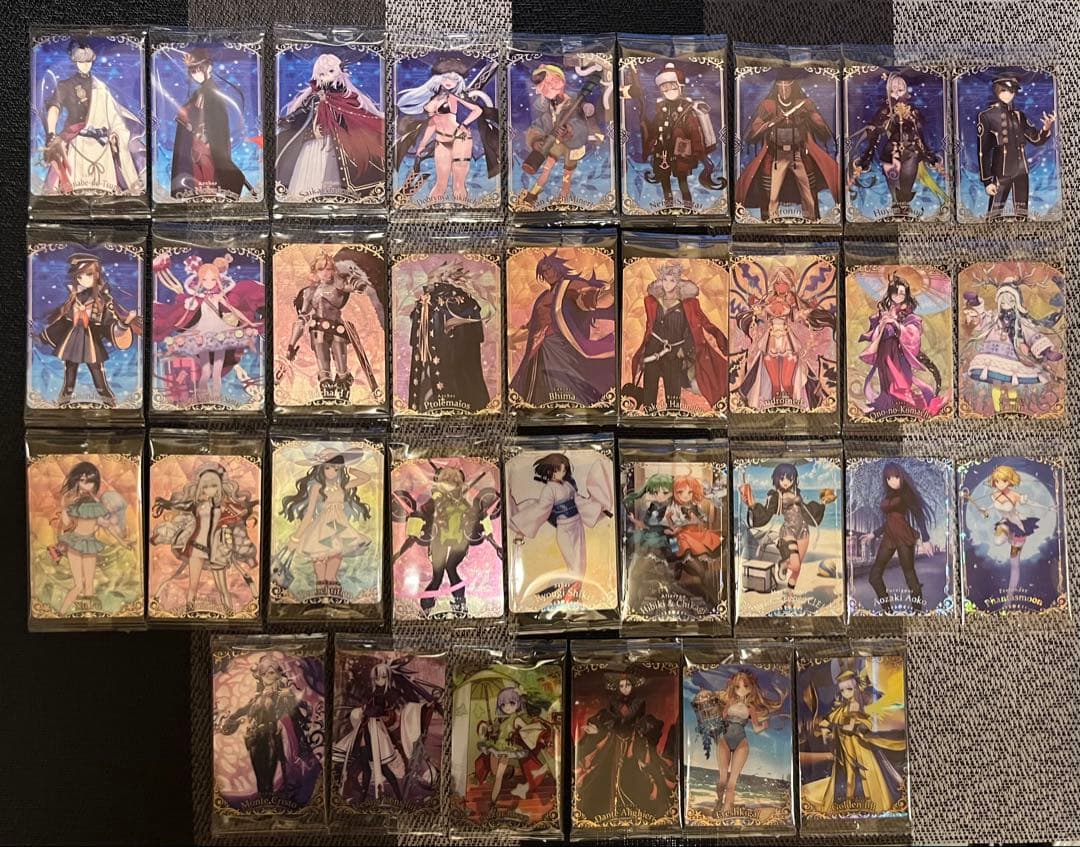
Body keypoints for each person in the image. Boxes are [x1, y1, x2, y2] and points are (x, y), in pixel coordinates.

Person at [392, 464, 501, 618]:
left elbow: (481, 521)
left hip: (459, 541)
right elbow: (415, 528)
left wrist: (496, 545)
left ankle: (459, 604)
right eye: (448, 482)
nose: (451, 486)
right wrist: (398, 553)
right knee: (438, 575)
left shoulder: (463, 504)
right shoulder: (434, 503)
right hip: (439, 541)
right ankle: (426, 609)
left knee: (450, 568)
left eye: (455, 482)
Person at [509, 252, 615, 408]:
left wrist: (608, 293)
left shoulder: (570, 286)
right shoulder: (543, 297)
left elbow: (589, 298)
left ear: (558, 268)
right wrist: (512, 338)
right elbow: (532, 327)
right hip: (539, 350)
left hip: (561, 348)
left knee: (568, 388)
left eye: (550, 269)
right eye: (544, 271)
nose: (548, 274)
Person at [151, 461, 258, 613]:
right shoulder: (197, 504)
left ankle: (230, 615)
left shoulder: (226, 507)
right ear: (201, 487)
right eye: (205, 487)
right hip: (196, 548)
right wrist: (166, 504)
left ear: (219, 486)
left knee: (223, 588)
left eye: (213, 486)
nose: (209, 490)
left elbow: (240, 520)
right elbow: (181, 505)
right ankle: (189, 613)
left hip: (216, 551)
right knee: (193, 586)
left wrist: (248, 511)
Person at [277, 52, 385, 202]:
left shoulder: (346, 96)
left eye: (331, 71)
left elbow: (356, 114)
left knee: (339, 173)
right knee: (312, 175)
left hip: (339, 144)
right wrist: (289, 119)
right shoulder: (314, 96)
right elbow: (303, 111)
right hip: (315, 141)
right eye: (322, 74)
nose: (326, 76)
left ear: (340, 70)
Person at [40, 38, 143, 196]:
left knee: (115, 176)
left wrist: (115, 134)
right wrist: (51, 132)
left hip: (101, 139)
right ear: (75, 62)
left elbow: (113, 115)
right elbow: (54, 108)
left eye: (88, 61)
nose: (85, 65)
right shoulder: (65, 85)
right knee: (59, 167)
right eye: (81, 61)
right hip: (74, 137)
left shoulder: (100, 87)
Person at [735, 67, 839, 221]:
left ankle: (811, 219)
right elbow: (756, 129)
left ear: (793, 87)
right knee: (772, 194)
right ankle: (771, 220)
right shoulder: (768, 105)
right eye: (781, 87)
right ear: (777, 87)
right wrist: (771, 123)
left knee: (808, 192)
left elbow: (819, 122)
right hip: (776, 155)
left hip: (798, 154)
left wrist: (811, 118)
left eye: (787, 87)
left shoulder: (803, 104)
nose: (784, 91)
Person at [509, 453, 612, 604]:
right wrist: (521, 531)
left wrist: (597, 509)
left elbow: (578, 500)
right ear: (550, 471)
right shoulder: (549, 490)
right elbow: (541, 510)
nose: (562, 474)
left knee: (581, 568)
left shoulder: (567, 484)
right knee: (574, 569)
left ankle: (572, 598)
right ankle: (550, 588)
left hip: (577, 526)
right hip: (565, 530)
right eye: (559, 471)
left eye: (564, 470)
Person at [38, 252, 139, 408]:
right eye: (79, 276)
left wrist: (125, 323)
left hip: (91, 340)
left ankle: (107, 399)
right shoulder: (74, 297)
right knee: (70, 369)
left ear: (97, 274)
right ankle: (64, 399)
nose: (83, 279)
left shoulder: (103, 300)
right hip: (73, 339)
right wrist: (45, 336)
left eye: (88, 274)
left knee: (96, 369)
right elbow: (65, 320)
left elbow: (109, 322)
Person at [802, 669, 907, 814]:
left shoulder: (855, 706)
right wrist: (825, 725)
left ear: (856, 688)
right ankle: (848, 804)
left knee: (861, 774)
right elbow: (830, 718)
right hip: (845, 747)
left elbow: (849, 728)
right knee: (847, 775)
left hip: (858, 748)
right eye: (842, 690)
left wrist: (833, 726)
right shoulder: (843, 707)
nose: (846, 693)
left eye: (849, 689)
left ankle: (863, 803)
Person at [574, 673, 676, 822]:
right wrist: (598, 730)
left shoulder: (639, 701)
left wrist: (638, 734)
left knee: (637, 772)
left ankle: (634, 808)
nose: (625, 688)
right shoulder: (613, 702)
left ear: (632, 686)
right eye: (621, 686)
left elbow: (640, 721)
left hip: (634, 740)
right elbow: (610, 721)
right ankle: (611, 809)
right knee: (608, 770)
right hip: (614, 741)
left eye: (627, 685)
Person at [628, 260, 727, 413]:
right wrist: (645, 349)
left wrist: (684, 348)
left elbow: (694, 328)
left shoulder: (688, 305)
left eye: (672, 280)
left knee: (673, 389)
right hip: (653, 348)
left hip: (674, 351)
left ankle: (672, 415)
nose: (668, 284)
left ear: (678, 283)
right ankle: (648, 415)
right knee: (650, 387)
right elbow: (650, 327)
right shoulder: (652, 302)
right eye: (665, 279)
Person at [733, 265, 835, 411]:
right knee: (775, 383)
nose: (780, 286)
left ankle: (792, 408)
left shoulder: (793, 301)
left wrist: (808, 312)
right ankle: (775, 410)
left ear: (789, 284)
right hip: (770, 344)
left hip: (788, 344)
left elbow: (798, 315)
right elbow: (761, 314)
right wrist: (755, 309)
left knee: (787, 382)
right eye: (778, 283)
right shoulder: (768, 299)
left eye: (784, 283)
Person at [395, 61, 498, 204]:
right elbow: (432, 123)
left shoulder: (456, 97)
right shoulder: (433, 98)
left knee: (458, 183)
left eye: (454, 79)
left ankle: (463, 212)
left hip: (460, 139)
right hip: (441, 141)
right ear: (438, 78)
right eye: (447, 77)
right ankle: (430, 212)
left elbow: (477, 110)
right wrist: (422, 144)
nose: (450, 81)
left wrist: (464, 124)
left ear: (459, 82)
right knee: (440, 183)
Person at [219, 655, 319, 799]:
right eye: (265, 673)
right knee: (260, 773)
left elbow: (297, 707)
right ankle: (263, 800)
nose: (268, 676)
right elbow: (244, 709)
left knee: (270, 771)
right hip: (255, 737)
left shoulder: (283, 694)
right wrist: (231, 718)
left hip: (273, 734)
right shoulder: (257, 697)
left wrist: (302, 715)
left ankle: (272, 796)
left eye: (271, 672)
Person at [285, 250, 378, 404]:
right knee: (324, 371)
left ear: (333, 270)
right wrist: (291, 345)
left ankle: (343, 390)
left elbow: (355, 285)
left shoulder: (339, 285)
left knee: (342, 371)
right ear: (315, 271)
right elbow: (302, 319)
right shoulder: (309, 292)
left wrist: (357, 283)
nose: (326, 273)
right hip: (318, 332)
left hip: (337, 331)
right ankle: (328, 397)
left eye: (329, 269)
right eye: (321, 269)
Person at [739, 463, 836, 606]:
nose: (786, 482)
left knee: (797, 569)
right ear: (776, 479)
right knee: (794, 565)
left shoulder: (797, 492)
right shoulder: (776, 496)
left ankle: (789, 599)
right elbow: (766, 513)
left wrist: (823, 502)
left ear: (794, 479)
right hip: (788, 531)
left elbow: (807, 511)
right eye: (782, 478)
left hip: (803, 532)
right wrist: (752, 504)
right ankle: (783, 563)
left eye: (789, 478)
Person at [850, 72, 945, 218]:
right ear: (889, 90)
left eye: (901, 85)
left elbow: (921, 132)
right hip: (892, 151)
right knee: (894, 185)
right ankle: (896, 209)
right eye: (894, 86)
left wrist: (929, 155)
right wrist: (866, 157)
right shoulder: (885, 110)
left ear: (906, 89)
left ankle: (905, 210)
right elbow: (875, 132)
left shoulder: (913, 110)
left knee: (906, 185)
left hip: (911, 151)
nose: (898, 86)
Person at [963, 280, 1063, 415]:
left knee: (1011, 385)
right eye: (1003, 300)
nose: (1006, 303)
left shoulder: (1020, 321)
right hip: (992, 355)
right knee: (996, 384)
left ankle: (1013, 410)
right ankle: (998, 410)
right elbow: (982, 321)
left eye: (1010, 300)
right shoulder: (994, 317)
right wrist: (975, 303)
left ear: (1016, 302)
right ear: (999, 301)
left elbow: (1031, 334)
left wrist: (1046, 351)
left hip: (1013, 356)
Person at [280, 451, 372, 599]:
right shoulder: (317, 487)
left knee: (331, 576)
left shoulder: (342, 486)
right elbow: (309, 513)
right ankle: (319, 604)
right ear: (321, 468)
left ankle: (338, 604)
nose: (332, 472)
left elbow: (366, 478)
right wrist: (296, 538)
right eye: (328, 468)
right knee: (321, 578)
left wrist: (350, 469)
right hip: (320, 531)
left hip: (339, 531)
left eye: (336, 468)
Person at [407, 263, 491, 413]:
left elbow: (471, 331)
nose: (428, 282)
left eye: (432, 278)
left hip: (454, 359)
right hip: (432, 358)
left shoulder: (457, 301)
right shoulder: (428, 301)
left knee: (458, 380)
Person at [49, 461, 132, 615]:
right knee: (78, 585)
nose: (86, 485)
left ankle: (88, 617)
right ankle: (61, 614)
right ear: (77, 481)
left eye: (90, 481)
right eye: (82, 480)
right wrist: (64, 507)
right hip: (75, 542)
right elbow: (66, 523)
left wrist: (122, 542)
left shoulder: (96, 503)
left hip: (90, 544)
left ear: (95, 483)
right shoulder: (73, 501)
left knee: (89, 587)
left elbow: (105, 524)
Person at [519, 62, 606, 207]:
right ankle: (532, 195)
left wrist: (570, 130)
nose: (547, 87)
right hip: (554, 144)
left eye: (550, 82)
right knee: (546, 170)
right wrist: (536, 140)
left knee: (567, 175)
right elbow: (540, 124)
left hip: (572, 146)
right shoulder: (548, 106)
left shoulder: (576, 101)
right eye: (544, 85)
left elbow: (583, 123)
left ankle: (563, 200)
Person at [858, 272, 944, 418]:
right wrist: (882, 324)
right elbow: (876, 331)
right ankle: (889, 406)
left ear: (906, 295)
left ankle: (905, 405)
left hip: (899, 353)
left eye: (902, 293)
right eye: (895, 293)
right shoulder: (883, 311)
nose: (898, 296)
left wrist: (896, 324)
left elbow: (913, 334)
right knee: (886, 380)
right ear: (890, 294)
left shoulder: (909, 315)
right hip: (884, 351)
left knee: (900, 380)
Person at [697, 670, 782, 815]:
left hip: (741, 742)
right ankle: (719, 801)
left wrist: (763, 726)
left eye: (745, 686)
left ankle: (726, 810)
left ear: (751, 687)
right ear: (733, 687)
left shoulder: (750, 708)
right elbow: (721, 720)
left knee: (732, 782)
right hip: (725, 740)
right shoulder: (729, 702)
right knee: (723, 779)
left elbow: (756, 728)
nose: (741, 690)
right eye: (738, 687)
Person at [171, 48, 252, 199]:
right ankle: (201, 194)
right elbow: (189, 113)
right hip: (197, 139)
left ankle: (211, 193)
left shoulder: (212, 93)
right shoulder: (200, 93)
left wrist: (209, 139)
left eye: (198, 69)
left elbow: (217, 120)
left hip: (207, 141)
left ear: (208, 68)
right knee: (197, 167)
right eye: (193, 71)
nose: (196, 74)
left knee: (208, 166)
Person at [636, 62, 720, 209]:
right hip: (663, 153)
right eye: (664, 87)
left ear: (679, 86)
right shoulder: (661, 109)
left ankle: (688, 206)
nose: (669, 90)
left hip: (681, 155)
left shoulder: (687, 110)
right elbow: (655, 129)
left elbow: (695, 133)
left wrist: (699, 153)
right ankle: (668, 205)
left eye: (672, 86)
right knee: (665, 182)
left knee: (682, 181)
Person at [977, 74, 1055, 220]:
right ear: (996, 90)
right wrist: (987, 181)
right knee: (994, 214)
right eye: (1004, 90)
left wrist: (1045, 128)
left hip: (1021, 170)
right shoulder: (987, 116)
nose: (1008, 94)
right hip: (1002, 171)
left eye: (1012, 91)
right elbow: (984, 151)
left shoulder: (1019, 115)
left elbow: (1036, 139)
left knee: (1022, 213)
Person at [862, 463, 933, 613]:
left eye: (895, 477)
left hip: (903, 536)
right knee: (874, 576)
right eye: (888, 478)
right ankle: (888, 611)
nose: (892, 481)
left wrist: (926, 540)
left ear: (901, 476)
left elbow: (919, 515)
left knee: (910, 576)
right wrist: (874, 534)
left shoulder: (906, 493)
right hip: (889, 537)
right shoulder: (888, 496)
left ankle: (917, 612)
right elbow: (890, 520)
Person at [475, 687, 556, 810]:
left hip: (507, 749)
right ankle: (511, 772)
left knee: (498, 776)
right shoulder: (499, 719)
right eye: (503, 704)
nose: (507, 707)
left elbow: (527, 729)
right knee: (495, 772)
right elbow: (494, 732)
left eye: (511, 703)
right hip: (495, 747)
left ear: (517, 703)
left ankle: (493, 801)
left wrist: (538, 733)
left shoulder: (516, 719)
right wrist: (491, 729)